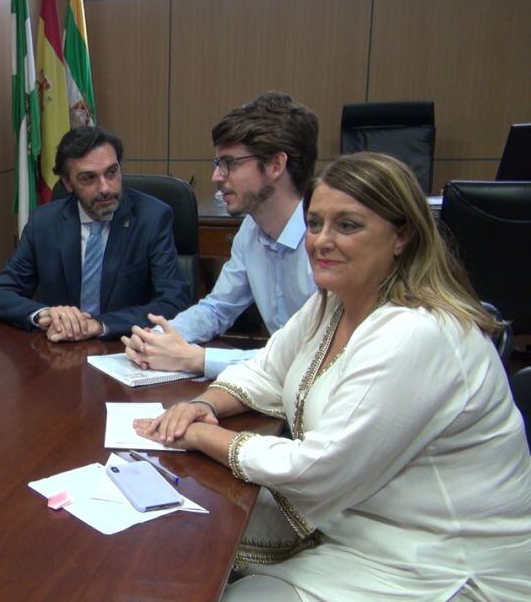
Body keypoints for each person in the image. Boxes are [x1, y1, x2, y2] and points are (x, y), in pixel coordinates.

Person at [134, 153, 531, 600]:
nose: (321, 240)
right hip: (358, 525)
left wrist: (201, 436)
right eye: (316, 223)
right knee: (179, 548)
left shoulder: (421, 331)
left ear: (401, 235)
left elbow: (317, 467)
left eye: (348, 225)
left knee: (205, 573)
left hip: (440, 563)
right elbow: (266, 369)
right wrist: (202, 406)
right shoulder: (334, 301)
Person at [123, 92, 317, 379]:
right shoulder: (251, 230)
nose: (216, 176)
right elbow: (217, 309)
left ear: (276, 165)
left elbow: (314, 359)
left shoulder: (326, 244)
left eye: (230, 163)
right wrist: (158, 338)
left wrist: (200, 360)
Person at [0, 125, 191, 342]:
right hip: (60, 352)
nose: (104, 188)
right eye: (88, 178)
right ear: (67, 183)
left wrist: (99, 325)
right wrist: (46, 314)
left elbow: (174, 302)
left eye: (111, 172)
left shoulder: (152, 218)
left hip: (126, 349)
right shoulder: (44, 223)